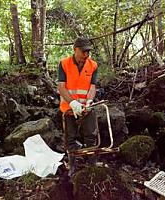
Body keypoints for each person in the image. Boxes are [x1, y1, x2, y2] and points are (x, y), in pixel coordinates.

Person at [57, 37, 98, 176]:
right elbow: (61, 87)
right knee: (70, 138)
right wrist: (72, 103)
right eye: (83, 51)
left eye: (88, 52)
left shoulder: (93, 65)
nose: (86, 55)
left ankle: (91, 165)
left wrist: (89, 101)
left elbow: (92, 87)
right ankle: (73, 165)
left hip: (86, 107)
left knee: (91, 136)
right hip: (68, 107)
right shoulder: (64, 64)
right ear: (75, 50)